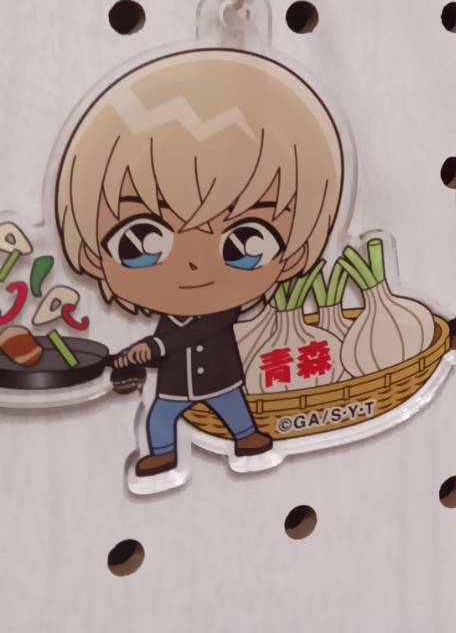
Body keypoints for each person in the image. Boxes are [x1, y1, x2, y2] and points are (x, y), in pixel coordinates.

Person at [55, 48, 343, 478]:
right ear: (95, 254)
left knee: (234, 408)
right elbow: (166, 339)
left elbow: (192, 333)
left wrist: (151, 349)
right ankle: (163, 454)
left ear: (292, 255)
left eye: (245, 243)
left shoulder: (220, 311)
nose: (192, 266)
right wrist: (138, 356)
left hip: (220, 375)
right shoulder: (171, 314)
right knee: (160, 416)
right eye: (139, 242)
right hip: (176, 383)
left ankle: (247, 437)